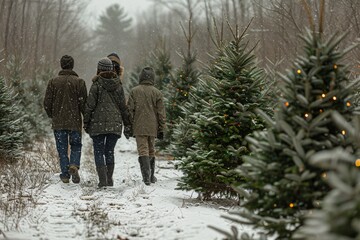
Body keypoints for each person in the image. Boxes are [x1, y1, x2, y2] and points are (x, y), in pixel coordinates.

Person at [83, 57, 132, 187]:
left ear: (99, 69)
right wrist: (127, 123)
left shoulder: (96, 85)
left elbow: (89, 106)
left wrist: (86, 122)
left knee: (98, 151)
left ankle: (103, 180)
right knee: (109, 151)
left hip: (97, 124)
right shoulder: (118, 85)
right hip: (114, 124)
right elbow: (123, 107)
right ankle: (109, 179)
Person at [44, 55, 87, 184]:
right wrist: (86, 118)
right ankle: (74, 164)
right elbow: (84, 104)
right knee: (76, 145)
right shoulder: (79, 82)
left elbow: (47, 102)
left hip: (59, 122)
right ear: (72, 65)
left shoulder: (53, 82)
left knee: (62, 148)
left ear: (61, 65)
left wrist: (53, 114)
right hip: (74, 122)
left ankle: (65, 174)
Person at [127, 67, 166, 185]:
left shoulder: (134, 91)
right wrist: (162, 128)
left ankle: (146, 177)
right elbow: (161, 113)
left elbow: (130, 110)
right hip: (152, 126)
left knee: (142, 150)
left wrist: (129, 124)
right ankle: (151, 176)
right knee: (151, 149)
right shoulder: (157, 92)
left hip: (139, 125)